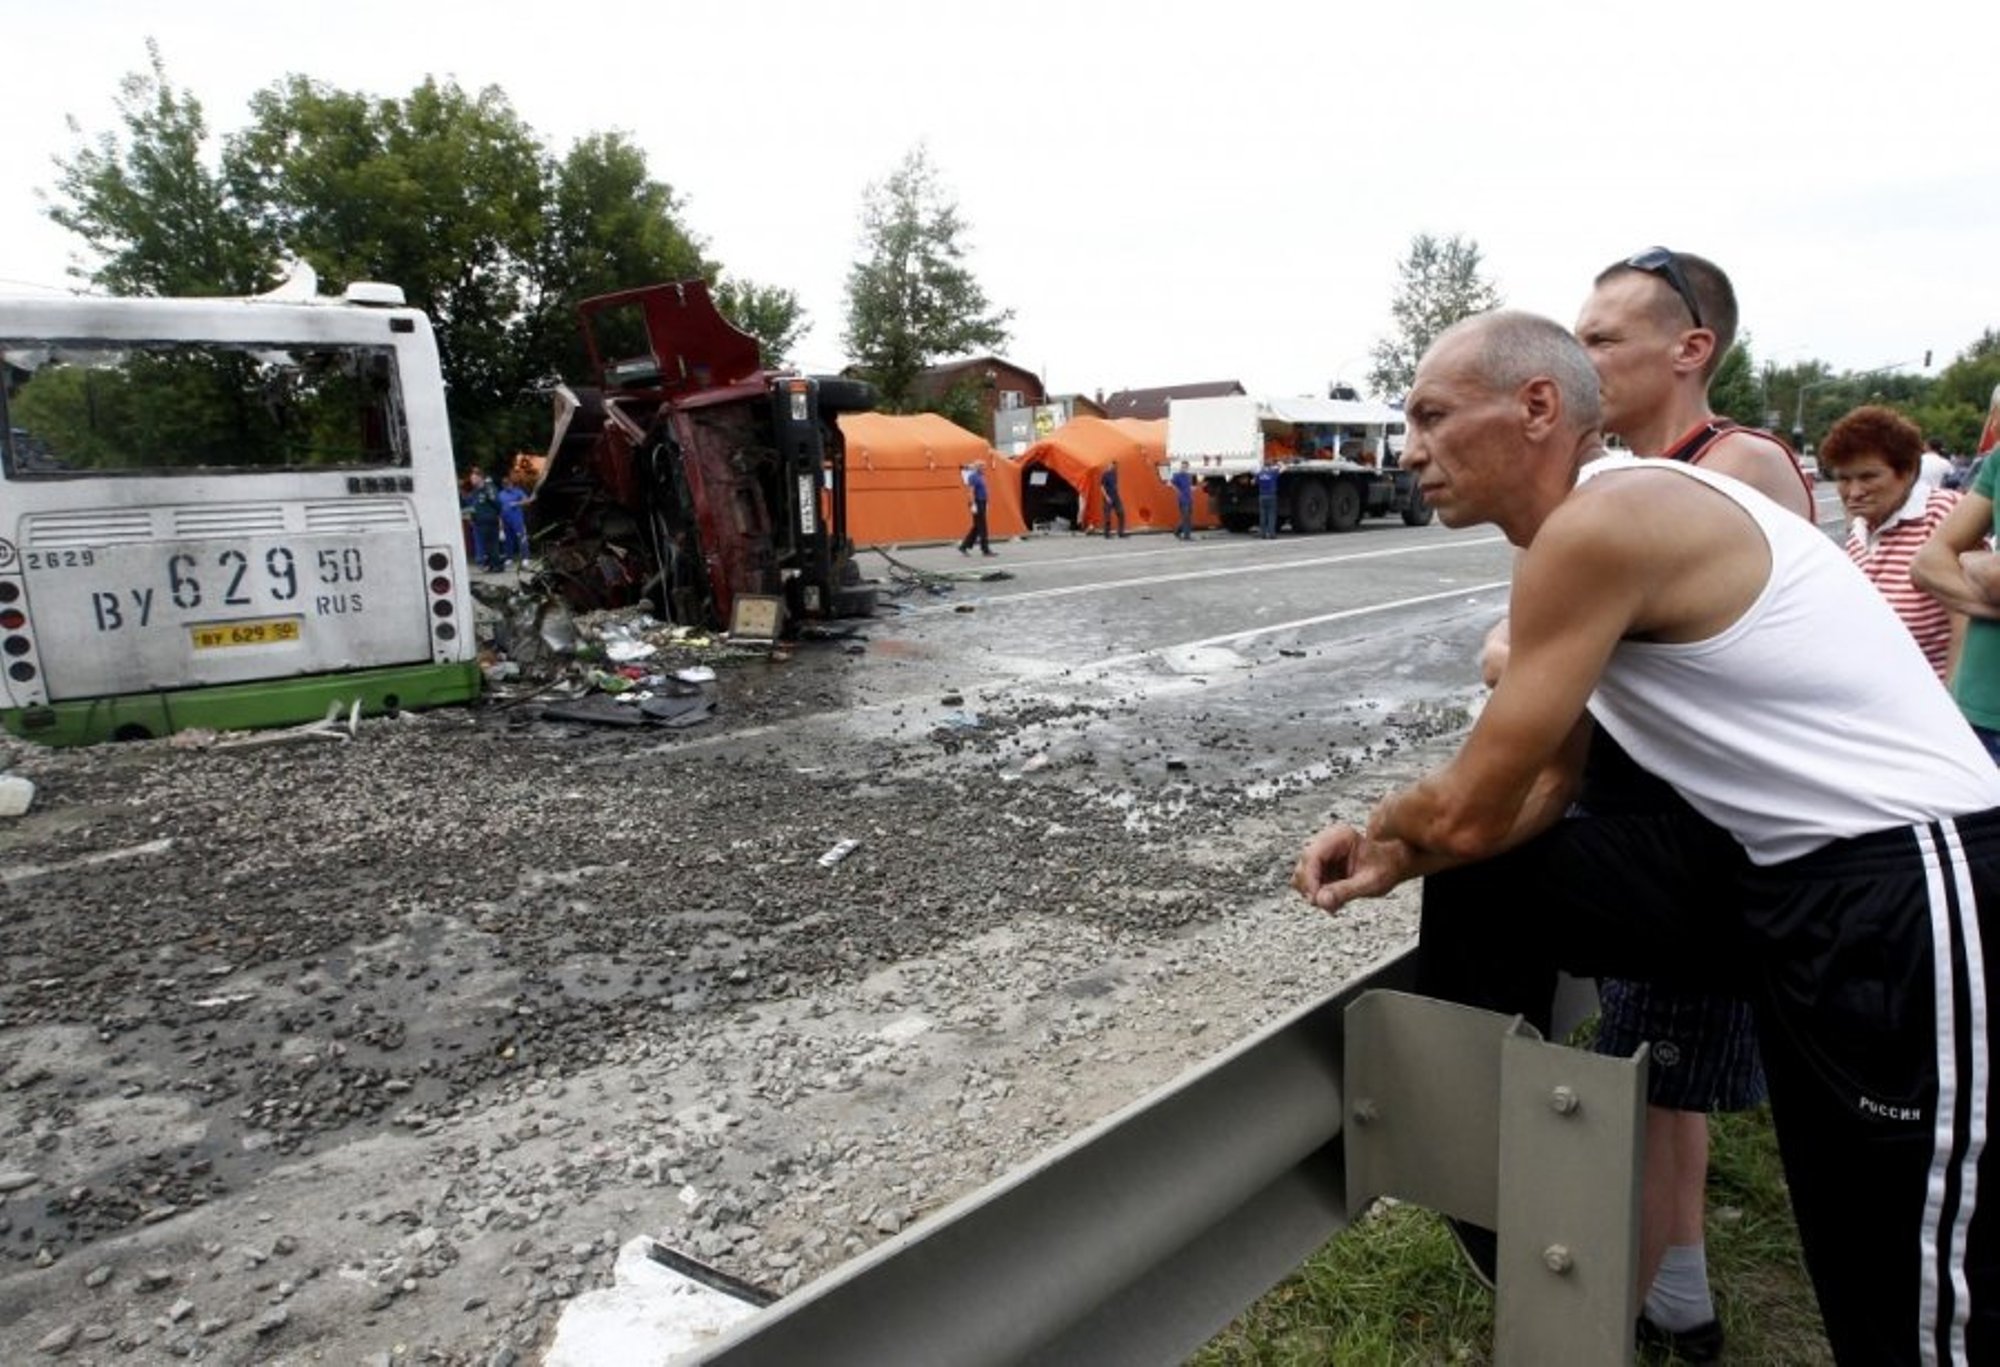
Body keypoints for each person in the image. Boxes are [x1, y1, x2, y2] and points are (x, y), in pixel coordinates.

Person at [1294, 310, 2000, 1367]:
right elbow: (1540, 789)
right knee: (1849, 1253)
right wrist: (1411, 852)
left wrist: (1394, 825)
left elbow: (1473, 802)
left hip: (1909, 880)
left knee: (1916, 1299)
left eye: (1431, 416)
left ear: (1536, 407)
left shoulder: (1607, 519)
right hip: (1794, 883)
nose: (1407, 450)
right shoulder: (1582, 534)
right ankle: (1490, 1179)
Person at [1821, 406, 1960, 679]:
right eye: (1844, 479)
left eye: (1868, 476)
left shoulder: (1944, 515)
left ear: (1907, 471)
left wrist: (1953, 709)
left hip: (1934, 699)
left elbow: (1968, 621)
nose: (1854, 492)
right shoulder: (1862, 528)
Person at [462, 467, 503, 573]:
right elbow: (470, 504)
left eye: (474, 478)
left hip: (489, 520)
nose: (472, 480)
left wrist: (496, 515)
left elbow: (497, 503)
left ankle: (493, 565)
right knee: (485, 544)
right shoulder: (475, 492)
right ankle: (490, 565)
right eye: (471, 478)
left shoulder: (489, 488)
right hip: (479, 522)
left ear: (480, 478)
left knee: (490, 544)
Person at [499, 474, 533, 571]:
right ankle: (509, 558)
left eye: (508, 484)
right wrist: (500, 524)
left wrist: (517, 503)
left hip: (517, 520)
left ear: (511, 484)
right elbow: (499, 509)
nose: (506, 486)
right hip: (505, 520)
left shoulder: (518, 492)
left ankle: (525, 558)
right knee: (508, 540)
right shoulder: (501, 494)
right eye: (504, 484)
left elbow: (528, 501)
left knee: (521, 538)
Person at [958, 461, 994, 556]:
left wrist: (986, 503)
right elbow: (971, 491)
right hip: (977, 502)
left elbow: (983, 490)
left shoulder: (981, 476)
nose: (984, 468)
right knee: (983, 527)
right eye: (982, 466)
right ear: (978, 467)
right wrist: (973, 504)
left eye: (984, 466)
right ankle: (985, 550)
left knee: (977, 527)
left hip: (982, 502)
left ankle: (963, 546)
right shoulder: (973, 477)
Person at [1100, 461, 1128, 538]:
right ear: (1109, 465)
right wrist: (1106, 497)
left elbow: (1115, 485)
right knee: (1107, 516)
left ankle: (1121, 532)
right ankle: (1107, 534)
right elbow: (1102, 487)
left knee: (1121, 513)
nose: (1113, 467)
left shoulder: (1114, 474)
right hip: (1108, 497)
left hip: (1116, 497)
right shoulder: (1105, 474)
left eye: (1114, 466)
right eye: (1112, 465)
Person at [1171, 460, 1197, 540]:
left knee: (1187, 517)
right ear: (1180, 467)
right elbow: (1171, 484)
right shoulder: (1177, 475)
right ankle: (1187, 536)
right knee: (1186, 517)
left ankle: (1177, 531)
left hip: (1189, 498)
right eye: (1182, 467)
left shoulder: (1189, 476)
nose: (1184, 468)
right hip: (1182, 499)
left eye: (1185, 467)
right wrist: (1178, 491)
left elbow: (1191, 486)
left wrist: (1192, 488)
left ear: (1187, 467)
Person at [1256, 460, 1281, 539]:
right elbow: (1282, 468)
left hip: (1262, 496)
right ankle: (1271, 534)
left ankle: (1263, 534)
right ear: (1270, 466)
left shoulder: (1259, 474)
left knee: (1263, 516)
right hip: (1271, 496)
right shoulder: (1273, 473)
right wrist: (1279, 464)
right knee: (1271, 516)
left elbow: (1254, 481)